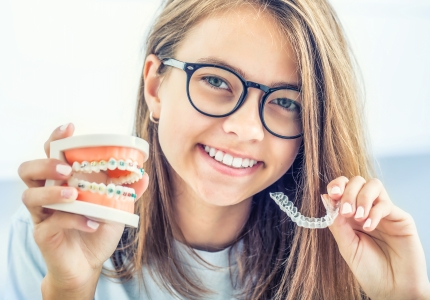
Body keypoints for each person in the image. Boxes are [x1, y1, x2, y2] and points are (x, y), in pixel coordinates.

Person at [6, 0, 430, 299]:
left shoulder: (349, 260)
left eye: (285, 102)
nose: (245, 129)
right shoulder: (49, 238)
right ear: (155, 86)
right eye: (216, 80)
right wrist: (70, 289)